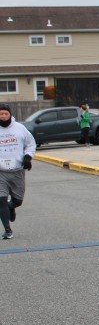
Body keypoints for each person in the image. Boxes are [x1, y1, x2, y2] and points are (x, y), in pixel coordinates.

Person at [0, 103, 37, 240]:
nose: (3, 116)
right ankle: (7, 229)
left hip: (17, 171)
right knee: (1, 200)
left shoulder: (20, 128)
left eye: (6, 113)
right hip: (1, 172)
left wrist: (28, 157)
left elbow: (30, 144)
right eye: (1, 114)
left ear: (10, 114)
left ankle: (12, 207)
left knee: (18, 200)